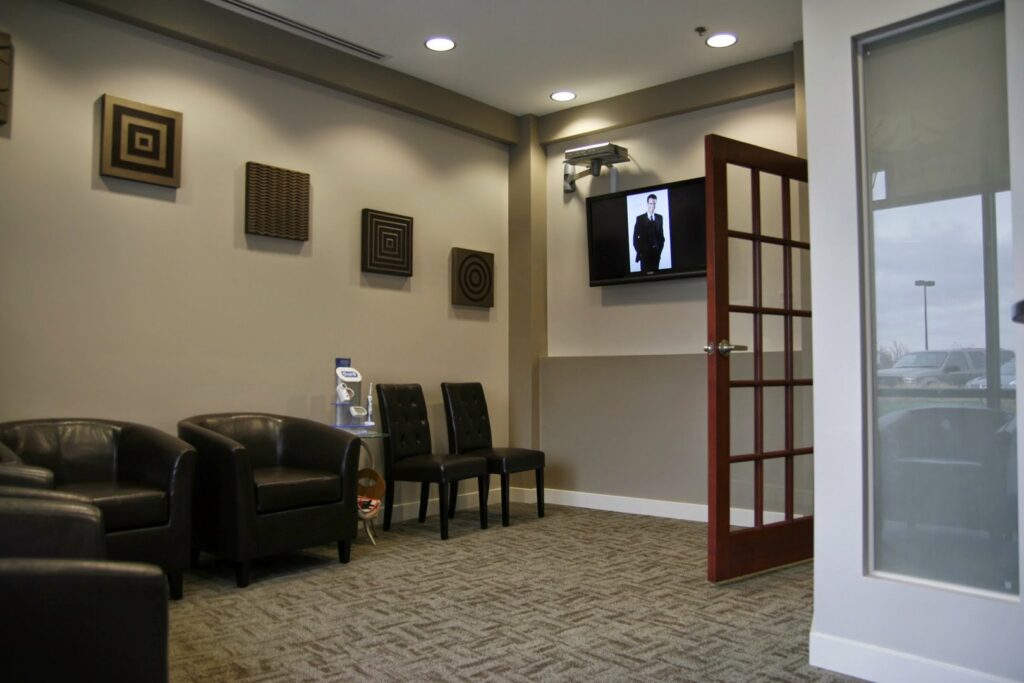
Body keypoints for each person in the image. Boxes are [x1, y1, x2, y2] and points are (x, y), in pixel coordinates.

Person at [632, 194, 665, 272]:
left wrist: (659, 253)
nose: (652, 206)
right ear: (647, 204)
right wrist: (641, 253)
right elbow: (635, 239)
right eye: (651, 203)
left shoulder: (659, 218)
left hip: (656, 256)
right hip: (644, 256)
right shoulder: (640, 219)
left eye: (654, 203)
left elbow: (661, 238)